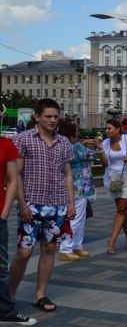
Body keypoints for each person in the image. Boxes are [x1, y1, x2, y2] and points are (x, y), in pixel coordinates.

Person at [9, 98, 75, 313]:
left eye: (56, 116)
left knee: (49, 249)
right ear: (37, 117)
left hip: (57, 204)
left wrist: (71, 203)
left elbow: (67, 174)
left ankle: (40, 294)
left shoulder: (63, 142)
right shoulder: (23, 139)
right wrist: (22, 204)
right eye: (48, 116)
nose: (52, 120)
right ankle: (8, 296)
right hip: (32, 204)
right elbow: (16, 175)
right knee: (24, 253)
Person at [0, 132, 36, 325]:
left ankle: (5, 312)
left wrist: (4, 213)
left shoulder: (6, 145)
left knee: (1, 269)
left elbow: (13, 179)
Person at [99, 118, 127, 255]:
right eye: (106, 128)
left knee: (122, 208)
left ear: (118, 129)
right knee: (122, 210)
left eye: (109, 128)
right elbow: (105, 163)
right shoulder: (106, 143)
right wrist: (100, 149)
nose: (106, 131)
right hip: (114, 177)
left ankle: (111, 241)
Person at [56, 121, 98, 261]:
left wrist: (82, 142)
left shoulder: (65, 145)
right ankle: (66, 248)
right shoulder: (73, 147)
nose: (78, 133)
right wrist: (97, 146)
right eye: (76, 131)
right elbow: (91, 155)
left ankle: (76, 246)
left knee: (80, 219)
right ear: (71, 135)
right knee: (75, 219)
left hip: (79, 187)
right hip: (77, 187)